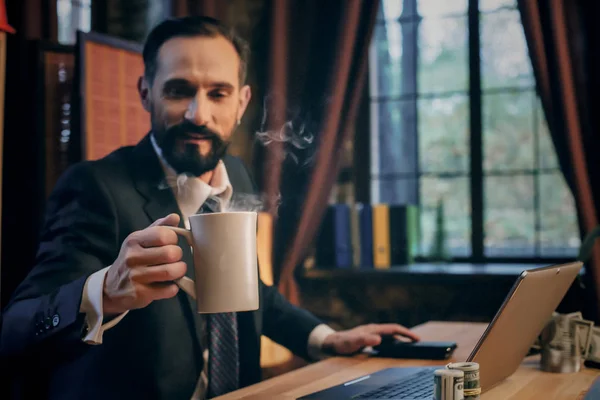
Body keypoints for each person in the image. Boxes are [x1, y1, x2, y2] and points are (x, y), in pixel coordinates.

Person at [0, 16, 419, 399]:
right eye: (179, 91)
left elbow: (252, 293)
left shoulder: (237, 174)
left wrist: (326, 339)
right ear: (146, 93)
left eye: (218, 93)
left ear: (241, 102)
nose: (199, 114)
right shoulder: (95, 187)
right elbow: (14, 329)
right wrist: (105, 291)